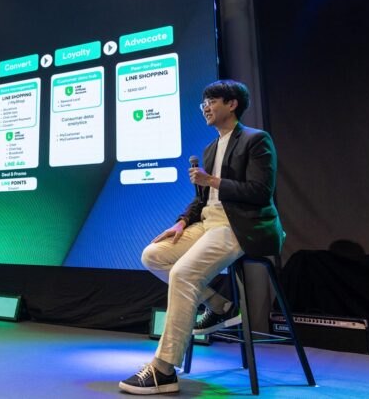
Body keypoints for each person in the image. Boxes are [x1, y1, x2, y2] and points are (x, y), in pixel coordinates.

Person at [119, 80, 284, 395]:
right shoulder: (210, 148)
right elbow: (201, 199)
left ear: (231, 104)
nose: (205, 107)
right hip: (208, 223)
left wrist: (214, 181)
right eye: (203, 103)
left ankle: (163, 369)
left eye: (211, 101)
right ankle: (220, 305)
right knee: (152, 255)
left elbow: (261, 192)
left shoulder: (256, 140)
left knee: (183, 273)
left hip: (240, 225)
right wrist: (182, 222)